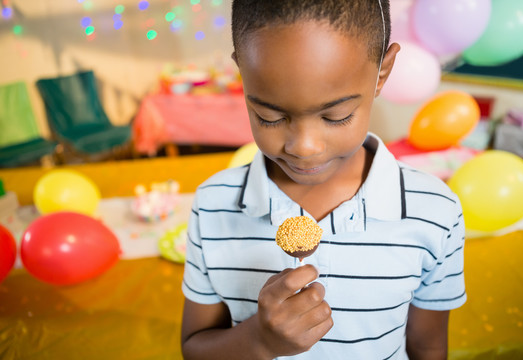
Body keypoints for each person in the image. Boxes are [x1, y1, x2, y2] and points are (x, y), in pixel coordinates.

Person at [181, 0, 466, 359]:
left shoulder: (434, 212)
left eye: (336, 116)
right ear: (243, 72)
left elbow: (427, 344)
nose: (305, 148)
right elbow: (194, 348)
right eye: (269, 116)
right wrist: (259, 340)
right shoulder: (213, 205)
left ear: (382, 72)